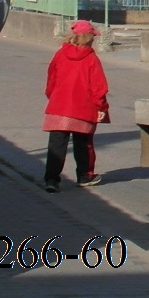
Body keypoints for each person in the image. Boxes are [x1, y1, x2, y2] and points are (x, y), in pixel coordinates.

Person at [42, 20, 110, 192]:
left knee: (56, 145)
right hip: (82, 108)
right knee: (83, 144)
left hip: (59, 106)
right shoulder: (91, 59)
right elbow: (98, 87)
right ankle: (84, 176)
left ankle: (51, 180)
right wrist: (101, 107)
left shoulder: (60, 54)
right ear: (88, 38)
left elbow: (51, 78)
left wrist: (53, 96)